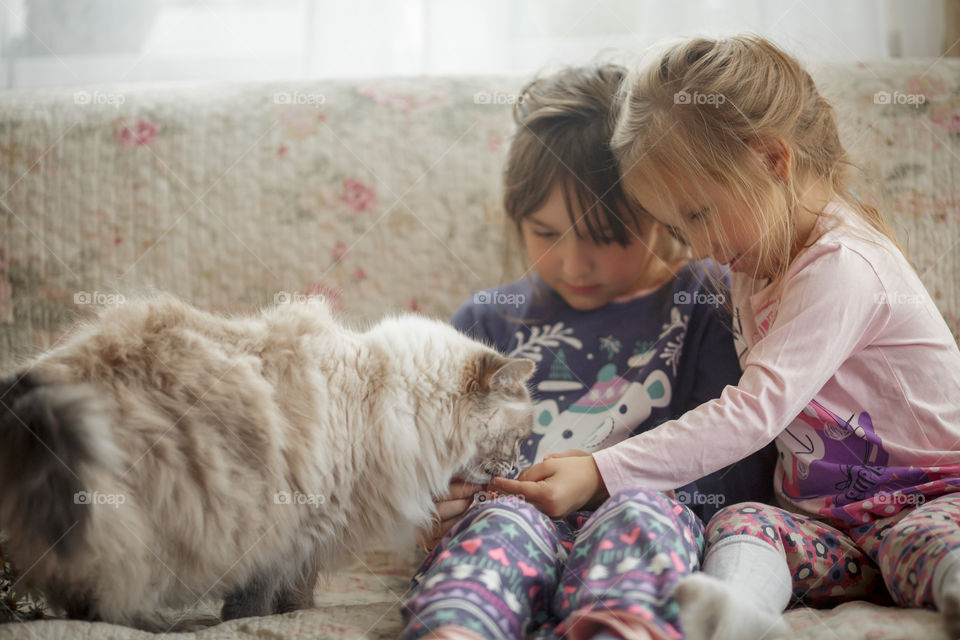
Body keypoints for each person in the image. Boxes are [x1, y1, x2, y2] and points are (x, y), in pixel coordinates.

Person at [492, 36, 960, 640]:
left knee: (928, 541)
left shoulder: (844, 265)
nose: (702, 248)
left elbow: (752, 413)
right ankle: (738, 619)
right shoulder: (752, 259)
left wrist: (603, 470)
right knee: (741, 524)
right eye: (675, 226)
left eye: (698, 214)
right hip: (836, 528)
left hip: (930, 497)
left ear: (772, 160)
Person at [399, 63, 776, 640]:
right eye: (545, 233)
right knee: (499, 519)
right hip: (510, 520)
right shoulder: (486, 320)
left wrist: (613, 483)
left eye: (606, 236)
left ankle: (619, 628)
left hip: (644, 519)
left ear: (659, 213)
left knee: (643, 514)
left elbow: (740, 468)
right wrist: (429, 502)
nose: (574, 265)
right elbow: (421, 457)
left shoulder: (705, 301)